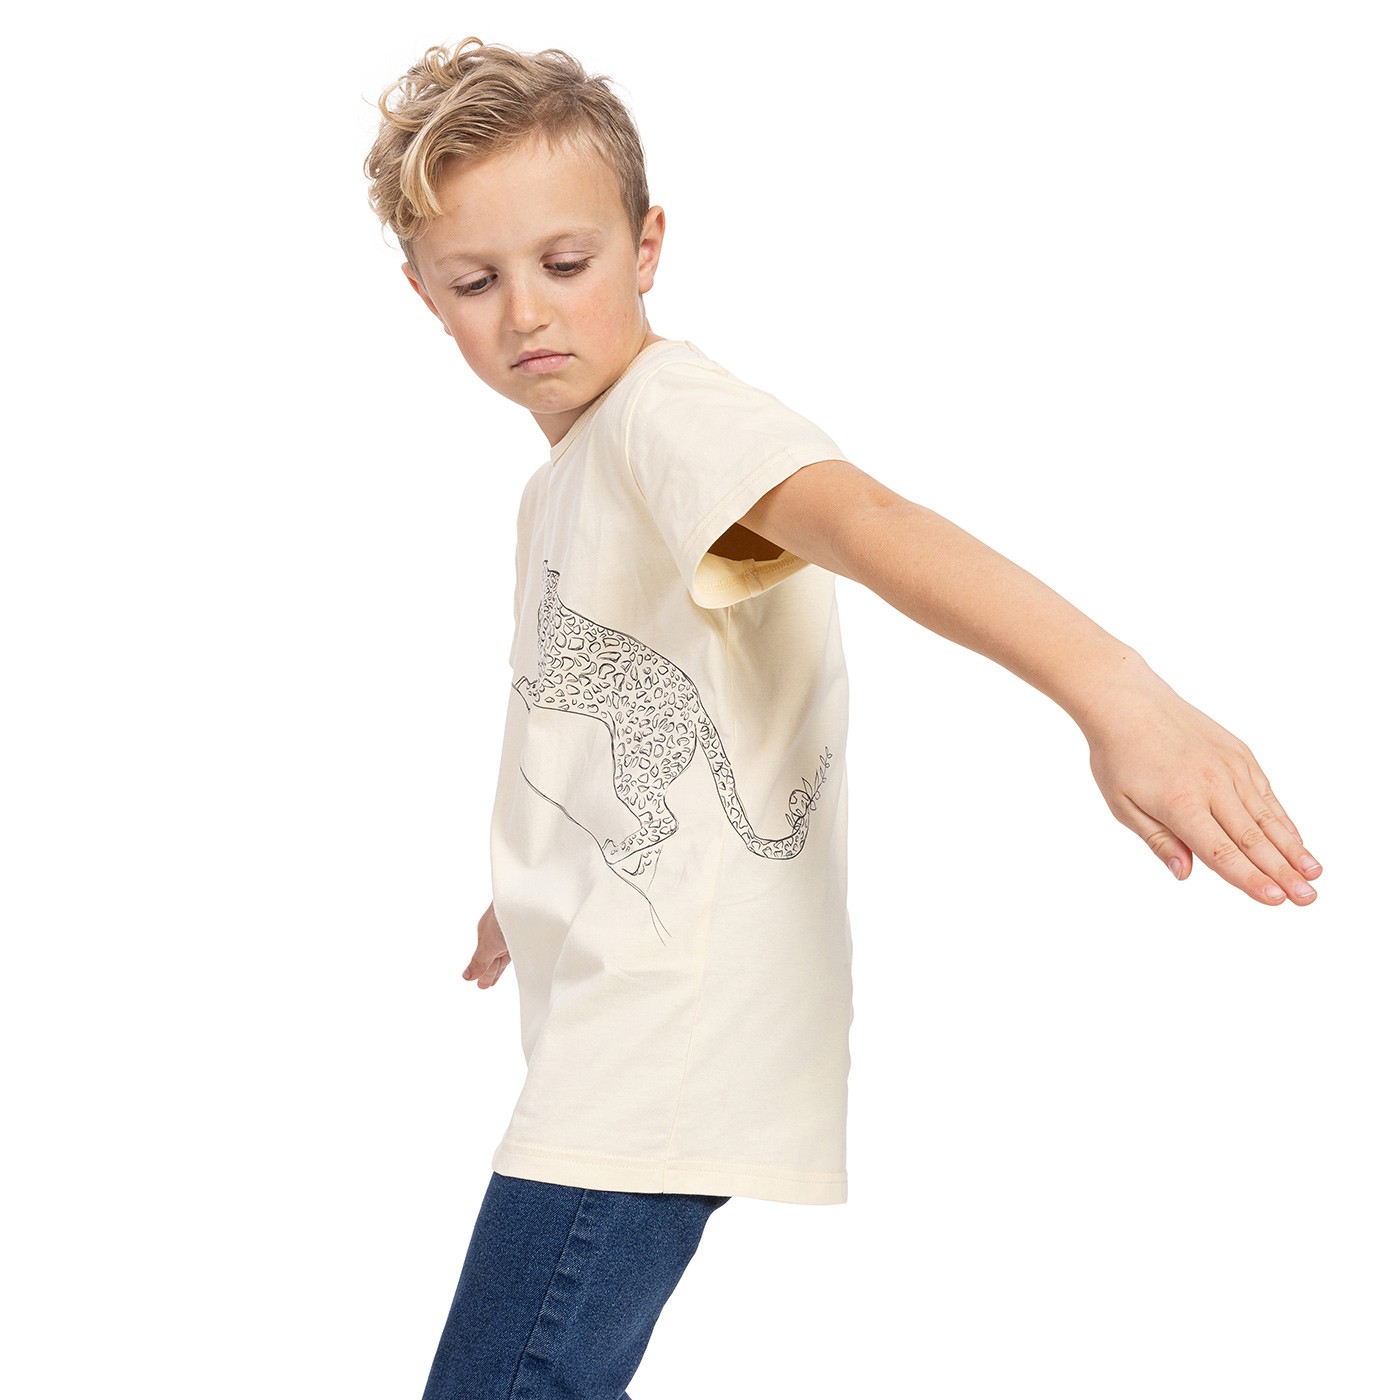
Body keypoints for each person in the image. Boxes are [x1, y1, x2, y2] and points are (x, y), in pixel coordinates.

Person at [365, 37, 1322, 1399]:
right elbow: (615, 708)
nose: (527, 312)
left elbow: (866, 520)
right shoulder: (569, 476)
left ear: (647, 247)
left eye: (566, 263)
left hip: (657, 1029)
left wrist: (1120, 695)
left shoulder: (668, 419)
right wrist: (532, 885)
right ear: (426, 297)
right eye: (477, 282)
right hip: (623, 1012)